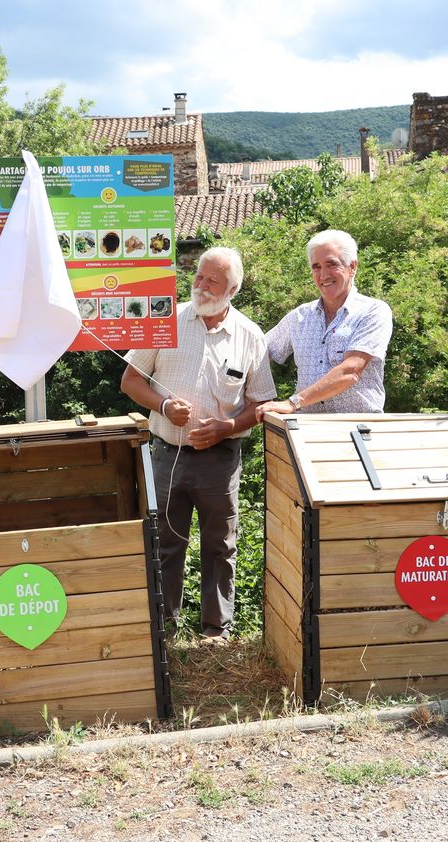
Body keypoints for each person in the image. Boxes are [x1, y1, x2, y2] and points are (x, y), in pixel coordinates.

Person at [119, 247, 277, 641]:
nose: (201, 285)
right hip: (166, 454)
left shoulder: (250, 335)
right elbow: (131, 381)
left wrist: (226, 427)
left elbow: (261, 404)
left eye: (213, 281)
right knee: (165, 545)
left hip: (220, 460)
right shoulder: (166, 320)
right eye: (199, 276)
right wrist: (164, 404)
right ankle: (165, 631)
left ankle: (216, 632)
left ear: (233, 289)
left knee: (220, 547)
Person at [257, 230, 393, 417]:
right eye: (316, 267)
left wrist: (293, 402)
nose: (323, 275)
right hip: (306, 430)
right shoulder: (299, 317)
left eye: (331, 264)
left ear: (352, 266)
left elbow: (350, 371)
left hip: (358, 431)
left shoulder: (373, 311)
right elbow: (257, 353)